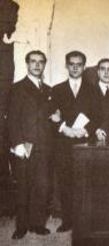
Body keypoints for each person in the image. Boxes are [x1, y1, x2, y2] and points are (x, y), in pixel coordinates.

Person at [8, 50, 56, 239]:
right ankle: (21, 226)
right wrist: (17, 143)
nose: (37, 65)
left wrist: (56, 118)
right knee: (23, 187)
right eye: (33, 61)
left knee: (41, 186)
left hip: (44, 146)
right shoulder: (17, 88)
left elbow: (50, 117)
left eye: (41, 62)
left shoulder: (48, 89)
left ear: (44, 65)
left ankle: (37, 224)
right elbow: (12, 119)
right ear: (27, 64)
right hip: (25, 145)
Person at [52, 51, 99, 232]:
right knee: (65, 182)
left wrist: (84, 130)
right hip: (63, 143)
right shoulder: (56, 89)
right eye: (71, 64)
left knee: (86, 182)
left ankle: (85, 221)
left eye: (79, 64)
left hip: (85, 143)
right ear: (66, 66)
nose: (75, 67)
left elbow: (97, 116)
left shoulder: (93, 89)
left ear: (84, 67)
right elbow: (52, 115)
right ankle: (68, 221)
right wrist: (65, 129)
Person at [94, 58, 109, 143]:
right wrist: (97, 130)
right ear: (98, 72)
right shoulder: (89, 90)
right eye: (102, 69)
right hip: (94, 136)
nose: (106, 72)